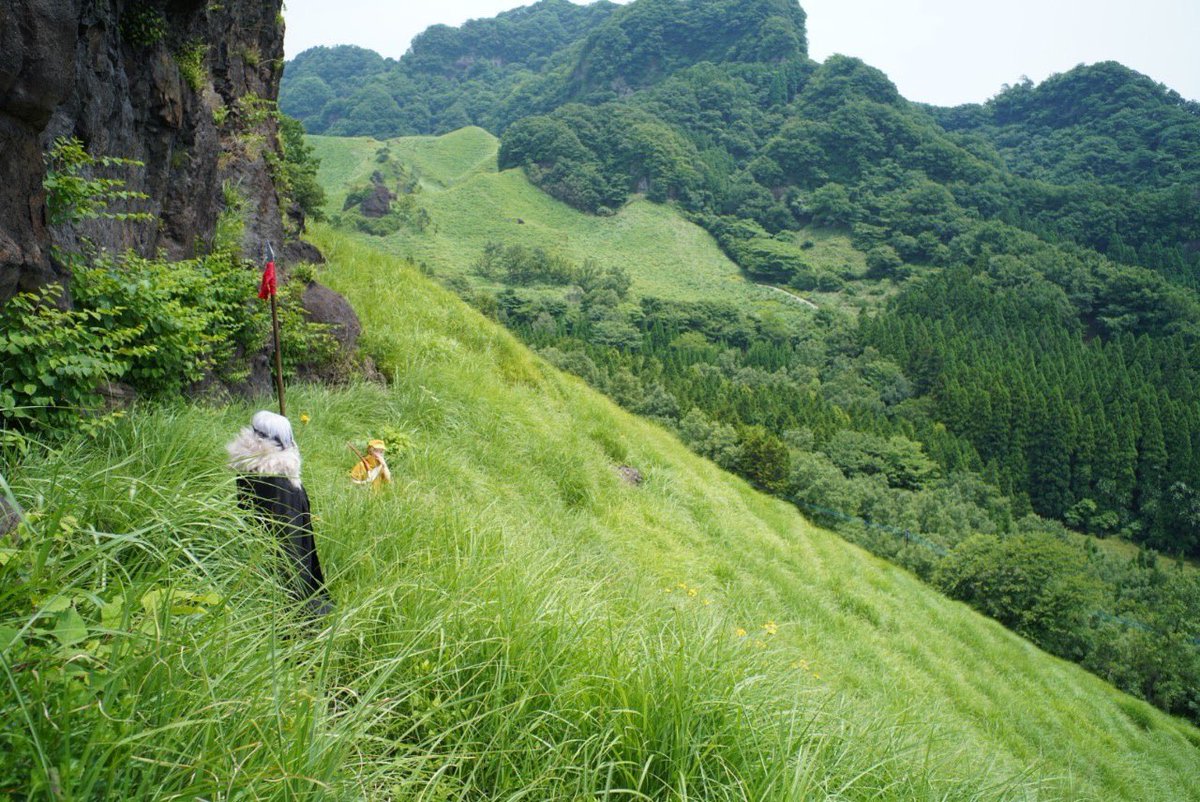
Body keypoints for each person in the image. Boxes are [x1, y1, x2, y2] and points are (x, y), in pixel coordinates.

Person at [227, 410, 332, 617]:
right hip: (284, 550)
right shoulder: (281, 482)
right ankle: (297, 610)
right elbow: (291, 539)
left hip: (257, 547)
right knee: (292, 567)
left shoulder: (248, 465)